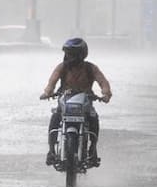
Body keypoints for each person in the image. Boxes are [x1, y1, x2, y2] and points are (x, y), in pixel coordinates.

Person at [39, 37, 112, 167]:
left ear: (81, 54)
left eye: (71, 53)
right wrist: (48, 92)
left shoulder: (91, 68)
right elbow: (52, 81)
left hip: (85, 102)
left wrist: (106, 94)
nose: (68, 56)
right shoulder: (62, 67)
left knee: (93, 119)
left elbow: (103, 82)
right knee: (55, 118)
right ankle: (51, 151)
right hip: (64, 101)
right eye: (67, 53)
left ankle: (92, 150)